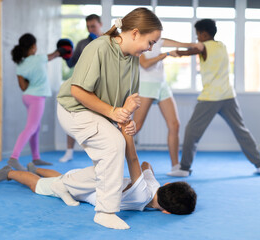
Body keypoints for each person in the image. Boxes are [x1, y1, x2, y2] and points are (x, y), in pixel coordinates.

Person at [56, 7, 162, 229]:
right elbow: (77, 91)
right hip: (73, 108)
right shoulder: (99, 47)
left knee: (105, 169)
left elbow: (127, 102)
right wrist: (114, 113)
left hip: (97, 111)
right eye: (150, 42)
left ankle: (64, 185)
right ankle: (105, 212)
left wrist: (126, 118)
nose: (150, 48)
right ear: (134, 33)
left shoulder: (132, 58)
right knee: (114, 145)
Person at [0, 124, 197, 224]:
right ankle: (11, 173)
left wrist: (146, 174)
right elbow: (131, 159)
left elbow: (144, 164)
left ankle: (34, 167)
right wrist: (126, 133)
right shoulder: (143, 195)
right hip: (84, 190)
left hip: (89, 178)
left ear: (168, 186)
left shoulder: (152, 185)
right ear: (167, 212)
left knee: (62, 175)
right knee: (40, 186)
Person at [168, 19, 260, 177]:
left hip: (210, 98)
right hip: (228, 96)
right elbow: (198, 48)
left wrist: (178, 53)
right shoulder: (222, 45)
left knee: (192, 132)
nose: (197, 37)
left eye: (198, 34)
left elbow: (195, 49)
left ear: (204, 33)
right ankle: (259, 164)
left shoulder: (204, 46)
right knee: (241, 130)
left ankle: (184, 168)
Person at [133, 38, 200, 176]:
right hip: (146, 85)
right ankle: (109, 155)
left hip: (162, 84)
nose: (160, 35)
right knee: (136, 127)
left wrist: (195, 45)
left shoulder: (159, 40)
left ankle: (176, 166)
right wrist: (167, 54)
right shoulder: (138, 42)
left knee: (175, 124)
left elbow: (181, 44)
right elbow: (145, 64)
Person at [8, 33, 68, 171]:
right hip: (37, 98)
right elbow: (54, 55)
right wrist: (62, 50)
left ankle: (36, 158)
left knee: (35, 127)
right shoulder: (39, 59)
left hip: (27, 97)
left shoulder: (20, 64)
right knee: (31, 127)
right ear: (33, 47)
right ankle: (14, 158)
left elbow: (23, 87)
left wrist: (31, 79)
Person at [59, 14, 103, 163]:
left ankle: (101, 152)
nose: (90, 29)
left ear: (100, 24)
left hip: (101, 86)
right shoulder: (82, 43)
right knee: (73, 113)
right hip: (83, 85)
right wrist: (64, 55)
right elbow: (71, 63)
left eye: (93, 26)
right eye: (88, 26)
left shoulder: (107, 42)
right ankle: (69, 151)